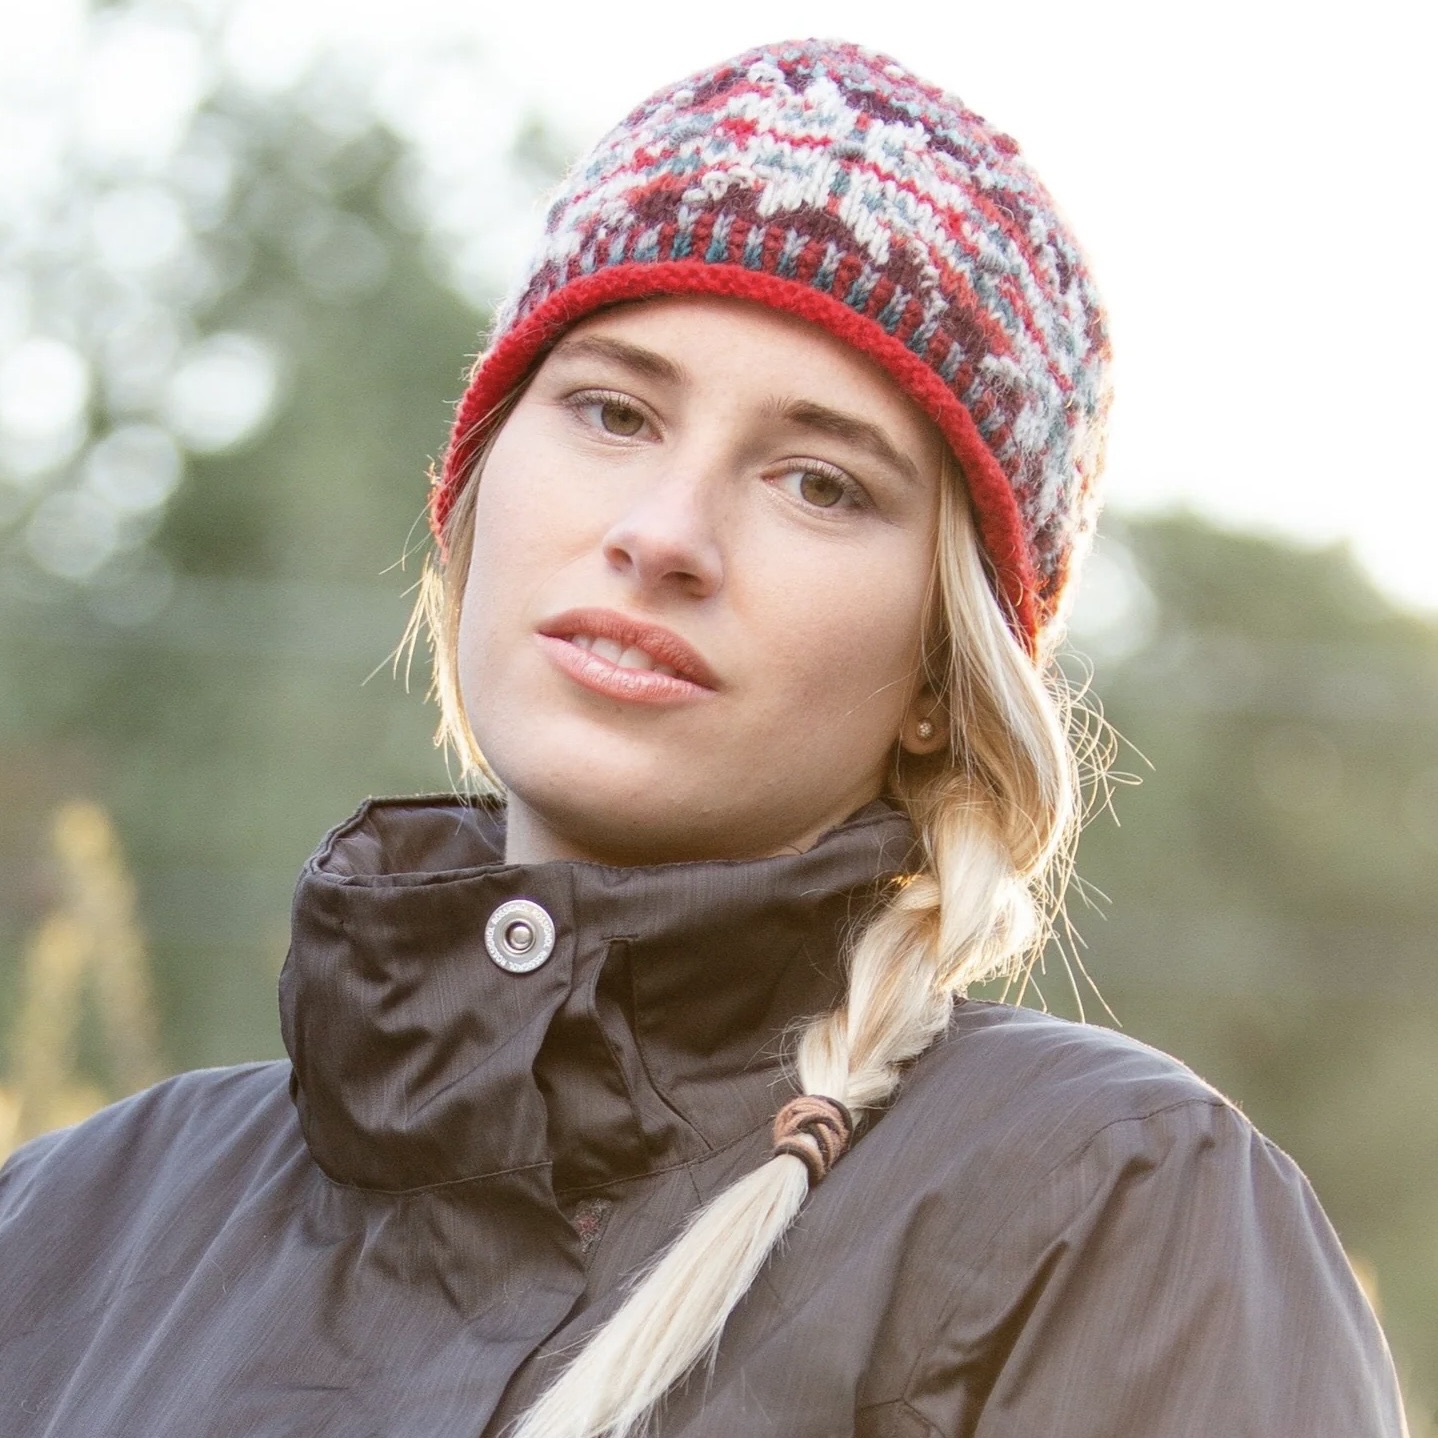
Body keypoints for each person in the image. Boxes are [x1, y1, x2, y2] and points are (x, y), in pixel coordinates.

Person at [0, 38, 1409, 1438]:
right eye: (612, 411)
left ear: (943, 665)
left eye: (818, 483)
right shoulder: (65, 1232)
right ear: (475, 487)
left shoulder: (1112, 1212)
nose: (664, 533)